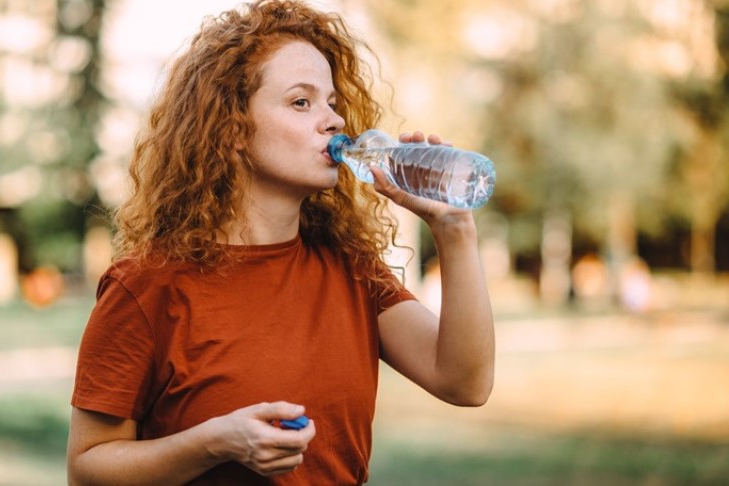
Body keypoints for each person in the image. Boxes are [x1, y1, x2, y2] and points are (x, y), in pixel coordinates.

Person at [66, 0, 495, 484]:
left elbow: (465, 382)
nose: (334, 121)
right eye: (301, 102)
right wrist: (213, 443)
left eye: (332, 102)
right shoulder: (146, 285)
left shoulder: (350, 269)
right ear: (231, 130)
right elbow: (87, 468)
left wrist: (454, 231)